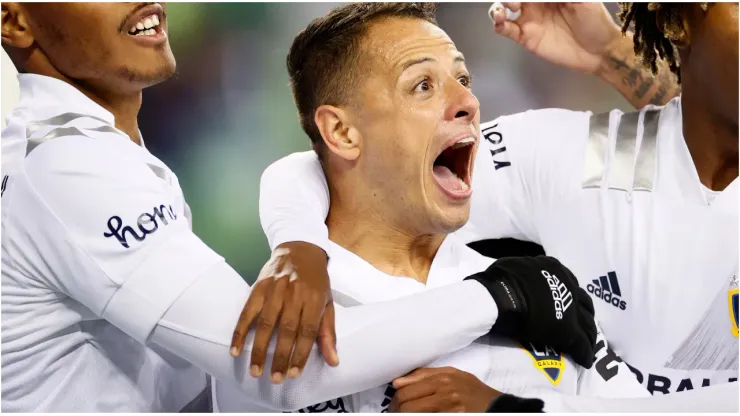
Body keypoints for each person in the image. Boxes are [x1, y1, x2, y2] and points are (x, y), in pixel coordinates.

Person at [0, 2, 598, 411]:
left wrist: (297, 241)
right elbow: (277, 371)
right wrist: (502, 296)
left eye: (460, 78)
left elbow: (302, 166)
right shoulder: (70, 166)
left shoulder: (89, 149)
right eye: (420, 84)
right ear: (15, 21)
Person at [249, 0, 738, 399]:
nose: (467, 101)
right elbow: (337, 170)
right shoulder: (570, 159)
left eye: (464, 80)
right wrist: (298, 245)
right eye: (424, 84)